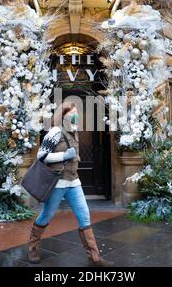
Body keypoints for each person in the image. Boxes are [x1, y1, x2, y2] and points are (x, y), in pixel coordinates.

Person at [27, 102, 113, 267]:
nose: (76, 116)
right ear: (63, 115)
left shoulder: (75, 132)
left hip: (74, 182)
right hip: (58, 183)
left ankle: (94, 258)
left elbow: (73, 153)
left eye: (76, 113)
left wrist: (75, 158)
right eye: (72, 113)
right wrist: (64, 155)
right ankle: (32, 247)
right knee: (46, 216)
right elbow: (41, 155)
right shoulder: (55, 132)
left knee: (84, 216)